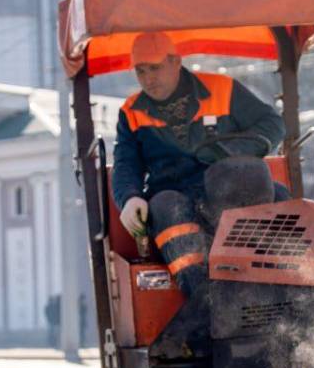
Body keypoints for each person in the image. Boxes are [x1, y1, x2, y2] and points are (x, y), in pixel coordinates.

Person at [112, 32, 286, 300]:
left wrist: (233, 154)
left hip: (226, 187)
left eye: (155, 68)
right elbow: (126, 163)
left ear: (175, 62)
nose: (148, 79)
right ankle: (203, 297)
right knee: (165, 206)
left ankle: (287, 285)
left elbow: (272, 124)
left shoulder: (223, 90)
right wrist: (130, 197)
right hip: (172, 194)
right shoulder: (131, 112)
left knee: (281, 197)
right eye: (141, 71)